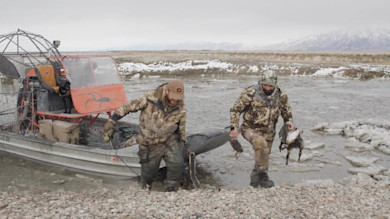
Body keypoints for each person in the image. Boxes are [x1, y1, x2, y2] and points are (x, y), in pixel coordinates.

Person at [103, 80, 187, 192]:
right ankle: (146, 188)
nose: (175, 100)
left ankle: (171, 190)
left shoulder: (181, 108)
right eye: (173, 97)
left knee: (177, 163)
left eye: (178, 98)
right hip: (149, 141)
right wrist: (112, 121)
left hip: (168, 139)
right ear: (167, 91)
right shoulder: (148, 99)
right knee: (149, 171)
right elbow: (128, 107)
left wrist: (183, 142)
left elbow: (181, 128)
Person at [229, 70, 294, 188]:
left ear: (275, 84)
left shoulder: (281, 95)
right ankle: (263, 177)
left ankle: (256, 181)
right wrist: (234, 127)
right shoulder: (251, 93)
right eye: (265, 85)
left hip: (269, 131)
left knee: (264, 154)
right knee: (260, 143)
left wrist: (288, 122)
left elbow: (286, 111)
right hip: (250, 129)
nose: (267, 88)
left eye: (270, 85)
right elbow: (235, 110)